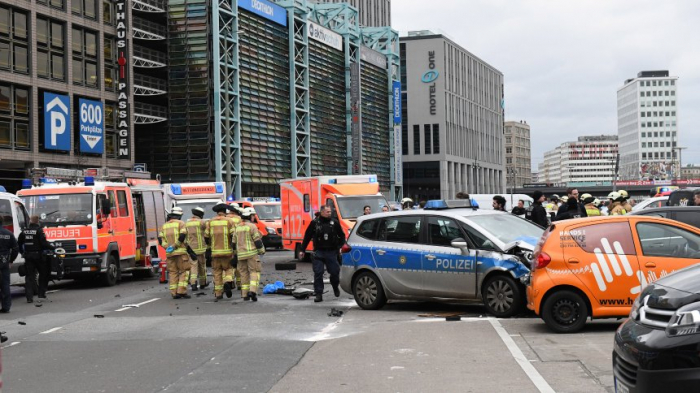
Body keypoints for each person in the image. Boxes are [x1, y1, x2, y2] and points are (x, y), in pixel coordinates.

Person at [299, 205, 346, 302]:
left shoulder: (334, 223)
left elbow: (342, 236)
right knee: (318, 273)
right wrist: (302, 250)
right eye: (328, 212)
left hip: (332, 252)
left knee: (334, 272)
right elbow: (307, 236)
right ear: (322, 212)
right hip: (319, 252)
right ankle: (319, 294)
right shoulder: (315, 223)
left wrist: (340, 247)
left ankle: (335, 286)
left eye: (330, 212)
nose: (330, 213)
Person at [18, 215, 54, 303]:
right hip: (39, 257)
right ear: (38, 221)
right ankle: (41, 294)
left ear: (30, 221)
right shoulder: (39, 231)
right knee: (43, 274)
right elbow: (44, 243)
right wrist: (53, 247)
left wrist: (22, 252)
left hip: (28, 257)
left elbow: (19, 243)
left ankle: (29, 297)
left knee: (29, 276)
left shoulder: (24, 231)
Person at [159, 207, 191, 299]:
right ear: (179, 215)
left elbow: (161, 240)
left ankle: (174, 293)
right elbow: (182, 235)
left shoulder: (164, 225)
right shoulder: (181, 223)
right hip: (181, 253)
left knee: (173, 272)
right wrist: (175, 245)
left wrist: (168, 247)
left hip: (170, 254)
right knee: (184, 271)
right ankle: (181, 291)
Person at [205, 203, 236, 301]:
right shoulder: (229, 221)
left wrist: (210, 247)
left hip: (215, 253)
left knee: (217, 272)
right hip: (227, 252)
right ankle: (228, 282)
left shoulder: (210, 222)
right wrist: (233, 248)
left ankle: (218, 294)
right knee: (228, 269)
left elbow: (206, 236)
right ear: (225, 211)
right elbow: (233, 236)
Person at [234, 207, 266, 301]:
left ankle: (244, 295)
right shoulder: (252, 226)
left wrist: (235, 254)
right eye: (253, 216)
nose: (253, 217)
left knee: (243, 273)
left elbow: (233, 242)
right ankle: (252, 291)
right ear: (249, 216)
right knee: (254, 272)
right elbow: (257, 241)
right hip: (251, 254)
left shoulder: (238, 227)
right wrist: (261, 251)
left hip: (241, 255)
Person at [186, 207, 209, 291]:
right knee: (202, 266)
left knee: (193, 266)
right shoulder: (202, 222)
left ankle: (193, 283)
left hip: (190, 249)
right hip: (201, 248)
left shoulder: (187, 223)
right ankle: (203, 283)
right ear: (200, 214)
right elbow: (208, 232)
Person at [0, 216, 19, 312]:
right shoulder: (9, 234)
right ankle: (6, 307)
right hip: (4, 261)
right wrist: (11, 260)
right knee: (5, 285)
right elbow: (16, 248)